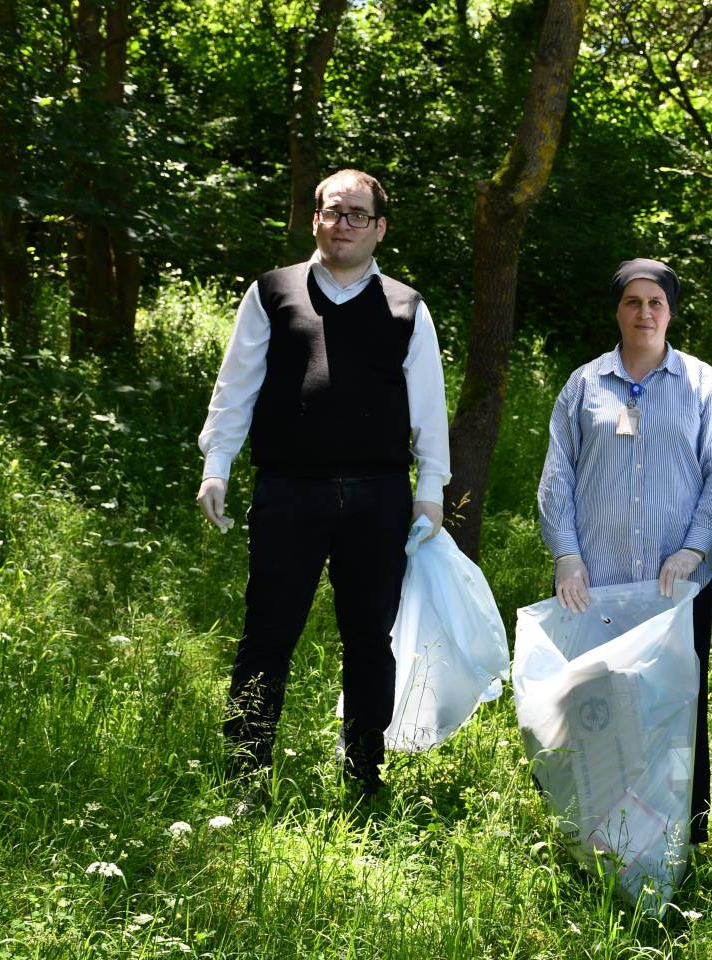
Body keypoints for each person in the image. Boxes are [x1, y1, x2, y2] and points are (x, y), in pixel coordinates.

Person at [196, 168, 450, 801]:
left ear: (379, 227)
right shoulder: (272, 292)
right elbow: (236, 388)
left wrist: (432, 490)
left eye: (357, 215)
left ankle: (365, 775)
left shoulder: (407, 307)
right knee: (268, 633)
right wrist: (216, 465)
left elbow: (430, 408)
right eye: (333, 212)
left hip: (378, 497)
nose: (344, 224)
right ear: (315, 219)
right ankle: (245, 774)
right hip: (289, 491)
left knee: (370, 639)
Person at [536, 257, 712, 844]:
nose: (644, 313)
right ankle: (597, 832)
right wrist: (567, 554)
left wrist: (695, 550)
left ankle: (680, 839)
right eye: (633, 302)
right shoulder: (584, 385)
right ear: (617, 310)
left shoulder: (699, 384)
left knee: (675, 709)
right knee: (597, 705)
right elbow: (558, 475)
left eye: (656, 303)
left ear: (670, 311)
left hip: (673, 588)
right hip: (594, 586)